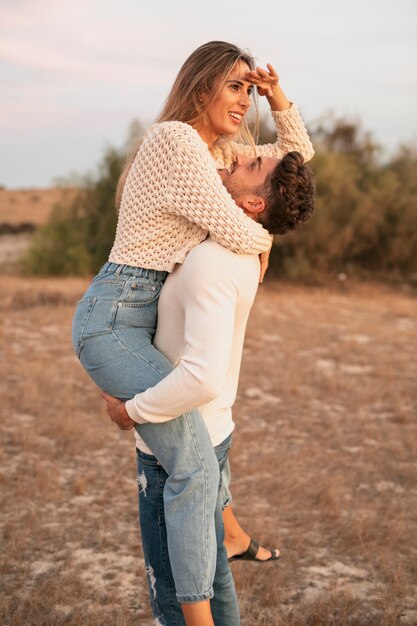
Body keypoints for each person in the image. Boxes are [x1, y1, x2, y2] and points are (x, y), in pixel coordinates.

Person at [71, 40, 314, 626]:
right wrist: (269, 242)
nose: (244, 100)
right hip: (114, 315)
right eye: (235, 86)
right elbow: (244, 220)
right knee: (195, 468)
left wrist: (277, 93)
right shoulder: (177, 141)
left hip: (137, 316)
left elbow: (293, 162)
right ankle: (195, 613)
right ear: (201, 86)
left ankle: (224, 545)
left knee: (196, 464)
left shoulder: (220, 152)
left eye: (248, 90)